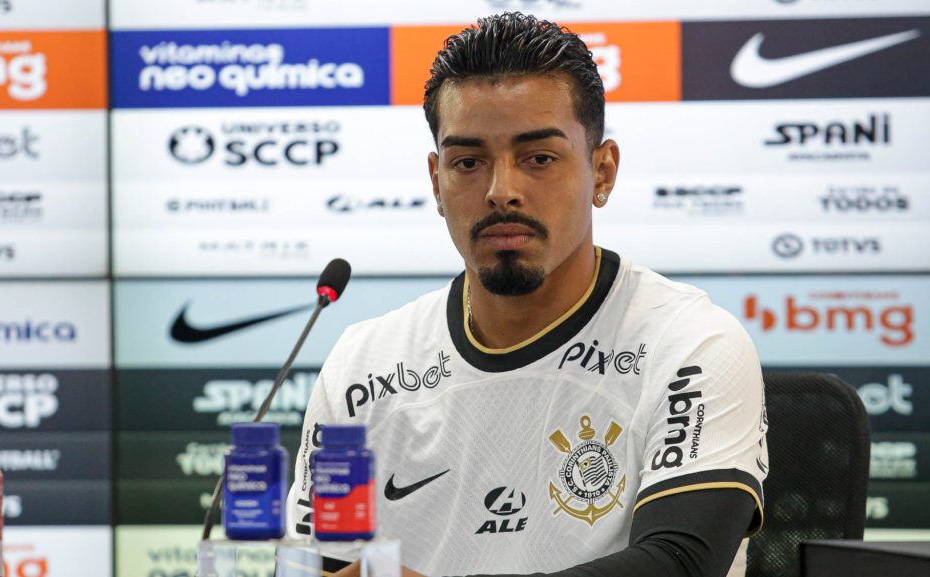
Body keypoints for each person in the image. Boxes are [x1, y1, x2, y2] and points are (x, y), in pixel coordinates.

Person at [286, 12, 768, 577]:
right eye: (468, 162)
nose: (501, 191)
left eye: (538, 158)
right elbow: (317, 567)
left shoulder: (690, 344)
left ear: (603, 172)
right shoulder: (361, 365)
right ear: (436, 182)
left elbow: (681, 563)